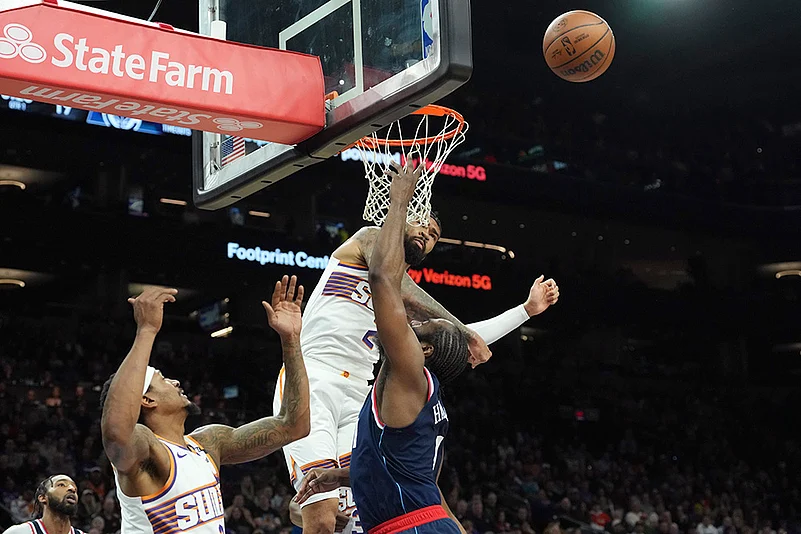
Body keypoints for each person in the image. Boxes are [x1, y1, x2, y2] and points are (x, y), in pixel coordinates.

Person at [278, 176, 559, 534]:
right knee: (321, 515)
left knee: (353, 513)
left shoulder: (401, 311)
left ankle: (300, 511)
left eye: (434, 235)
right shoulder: (368, 240)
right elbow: (406, 290)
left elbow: (451, 341)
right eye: (421, 223)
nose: (427, 234)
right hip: (314, 376)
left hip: (359, 397)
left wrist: (524, 311)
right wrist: (464, 330)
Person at [100, 276, 310, 534]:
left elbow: (294, 425)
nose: (175, 381)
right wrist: (146, 330)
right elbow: (115, 432)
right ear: (147, 399)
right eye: (162, 379)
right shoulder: (146, 449)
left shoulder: (209, 443)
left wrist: (291, 341)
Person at [2, 474, 83, 534]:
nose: (72, 489)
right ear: (43, 498)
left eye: (75, 488)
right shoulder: (18, 532)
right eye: (61, 485)